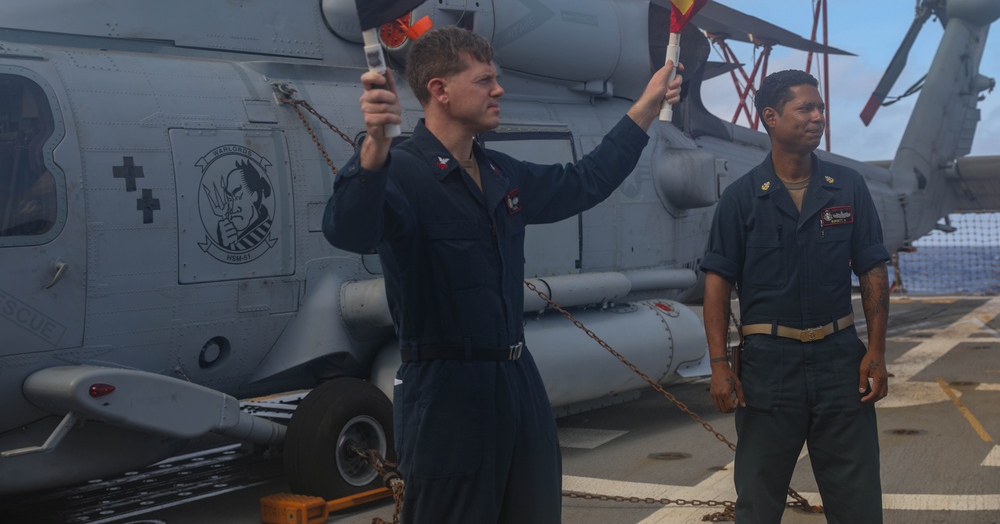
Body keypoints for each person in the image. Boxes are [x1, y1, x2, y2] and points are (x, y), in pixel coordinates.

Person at [323, 25, 681, 523]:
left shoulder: (501, 175)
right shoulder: (400, 172)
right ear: (440, 91)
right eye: (485, 79)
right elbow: (349, 229)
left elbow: (587, 181)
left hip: (516, 376)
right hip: (445, 388)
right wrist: (374, 150)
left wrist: (646, 104)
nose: (499, 90)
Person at [700, 69, 890, 523]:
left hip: (840, 362)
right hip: (768, 368)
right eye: (805, 108)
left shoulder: (848, 188)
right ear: (770, 117)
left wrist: (877, 354)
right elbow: (716, 286)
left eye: (820, 107)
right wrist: (720, 366)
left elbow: (873, 273)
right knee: (758, 503)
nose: (818, 117)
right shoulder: (742, 199)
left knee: (858, 502)